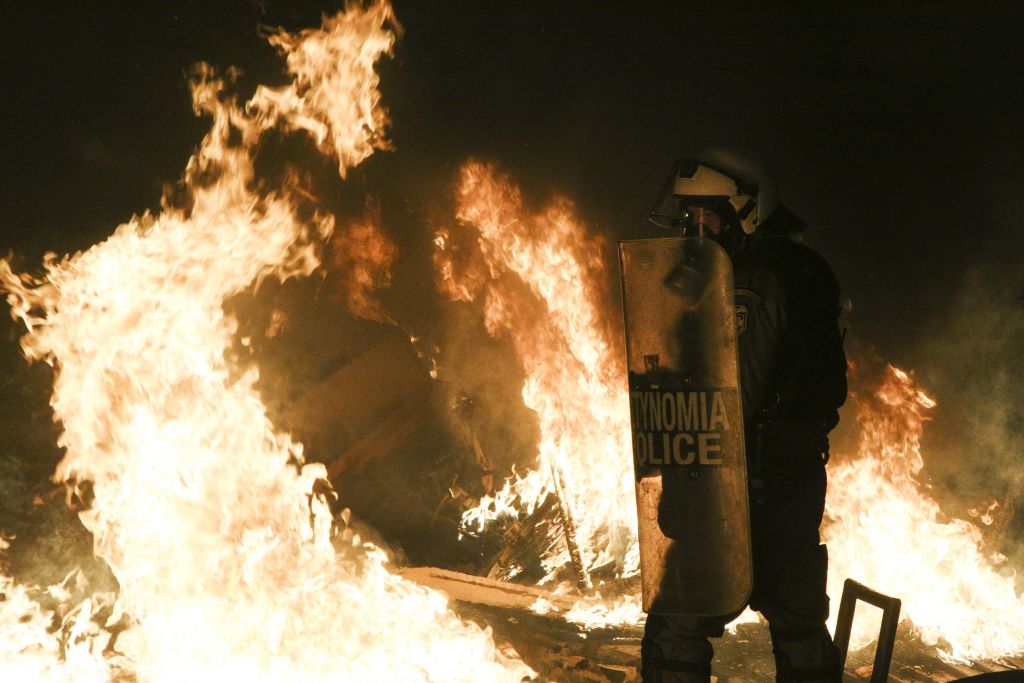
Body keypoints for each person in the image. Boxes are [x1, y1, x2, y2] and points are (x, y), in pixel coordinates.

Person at [642, 155, 848, 683]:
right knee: (799, 621)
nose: (694, 230)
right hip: (792, 477)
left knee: (681, 616)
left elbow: (738, 395)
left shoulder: (751, 278)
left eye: (705, 216)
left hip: (741, 478)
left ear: (745, 213)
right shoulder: (803, 268)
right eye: (687, 217)